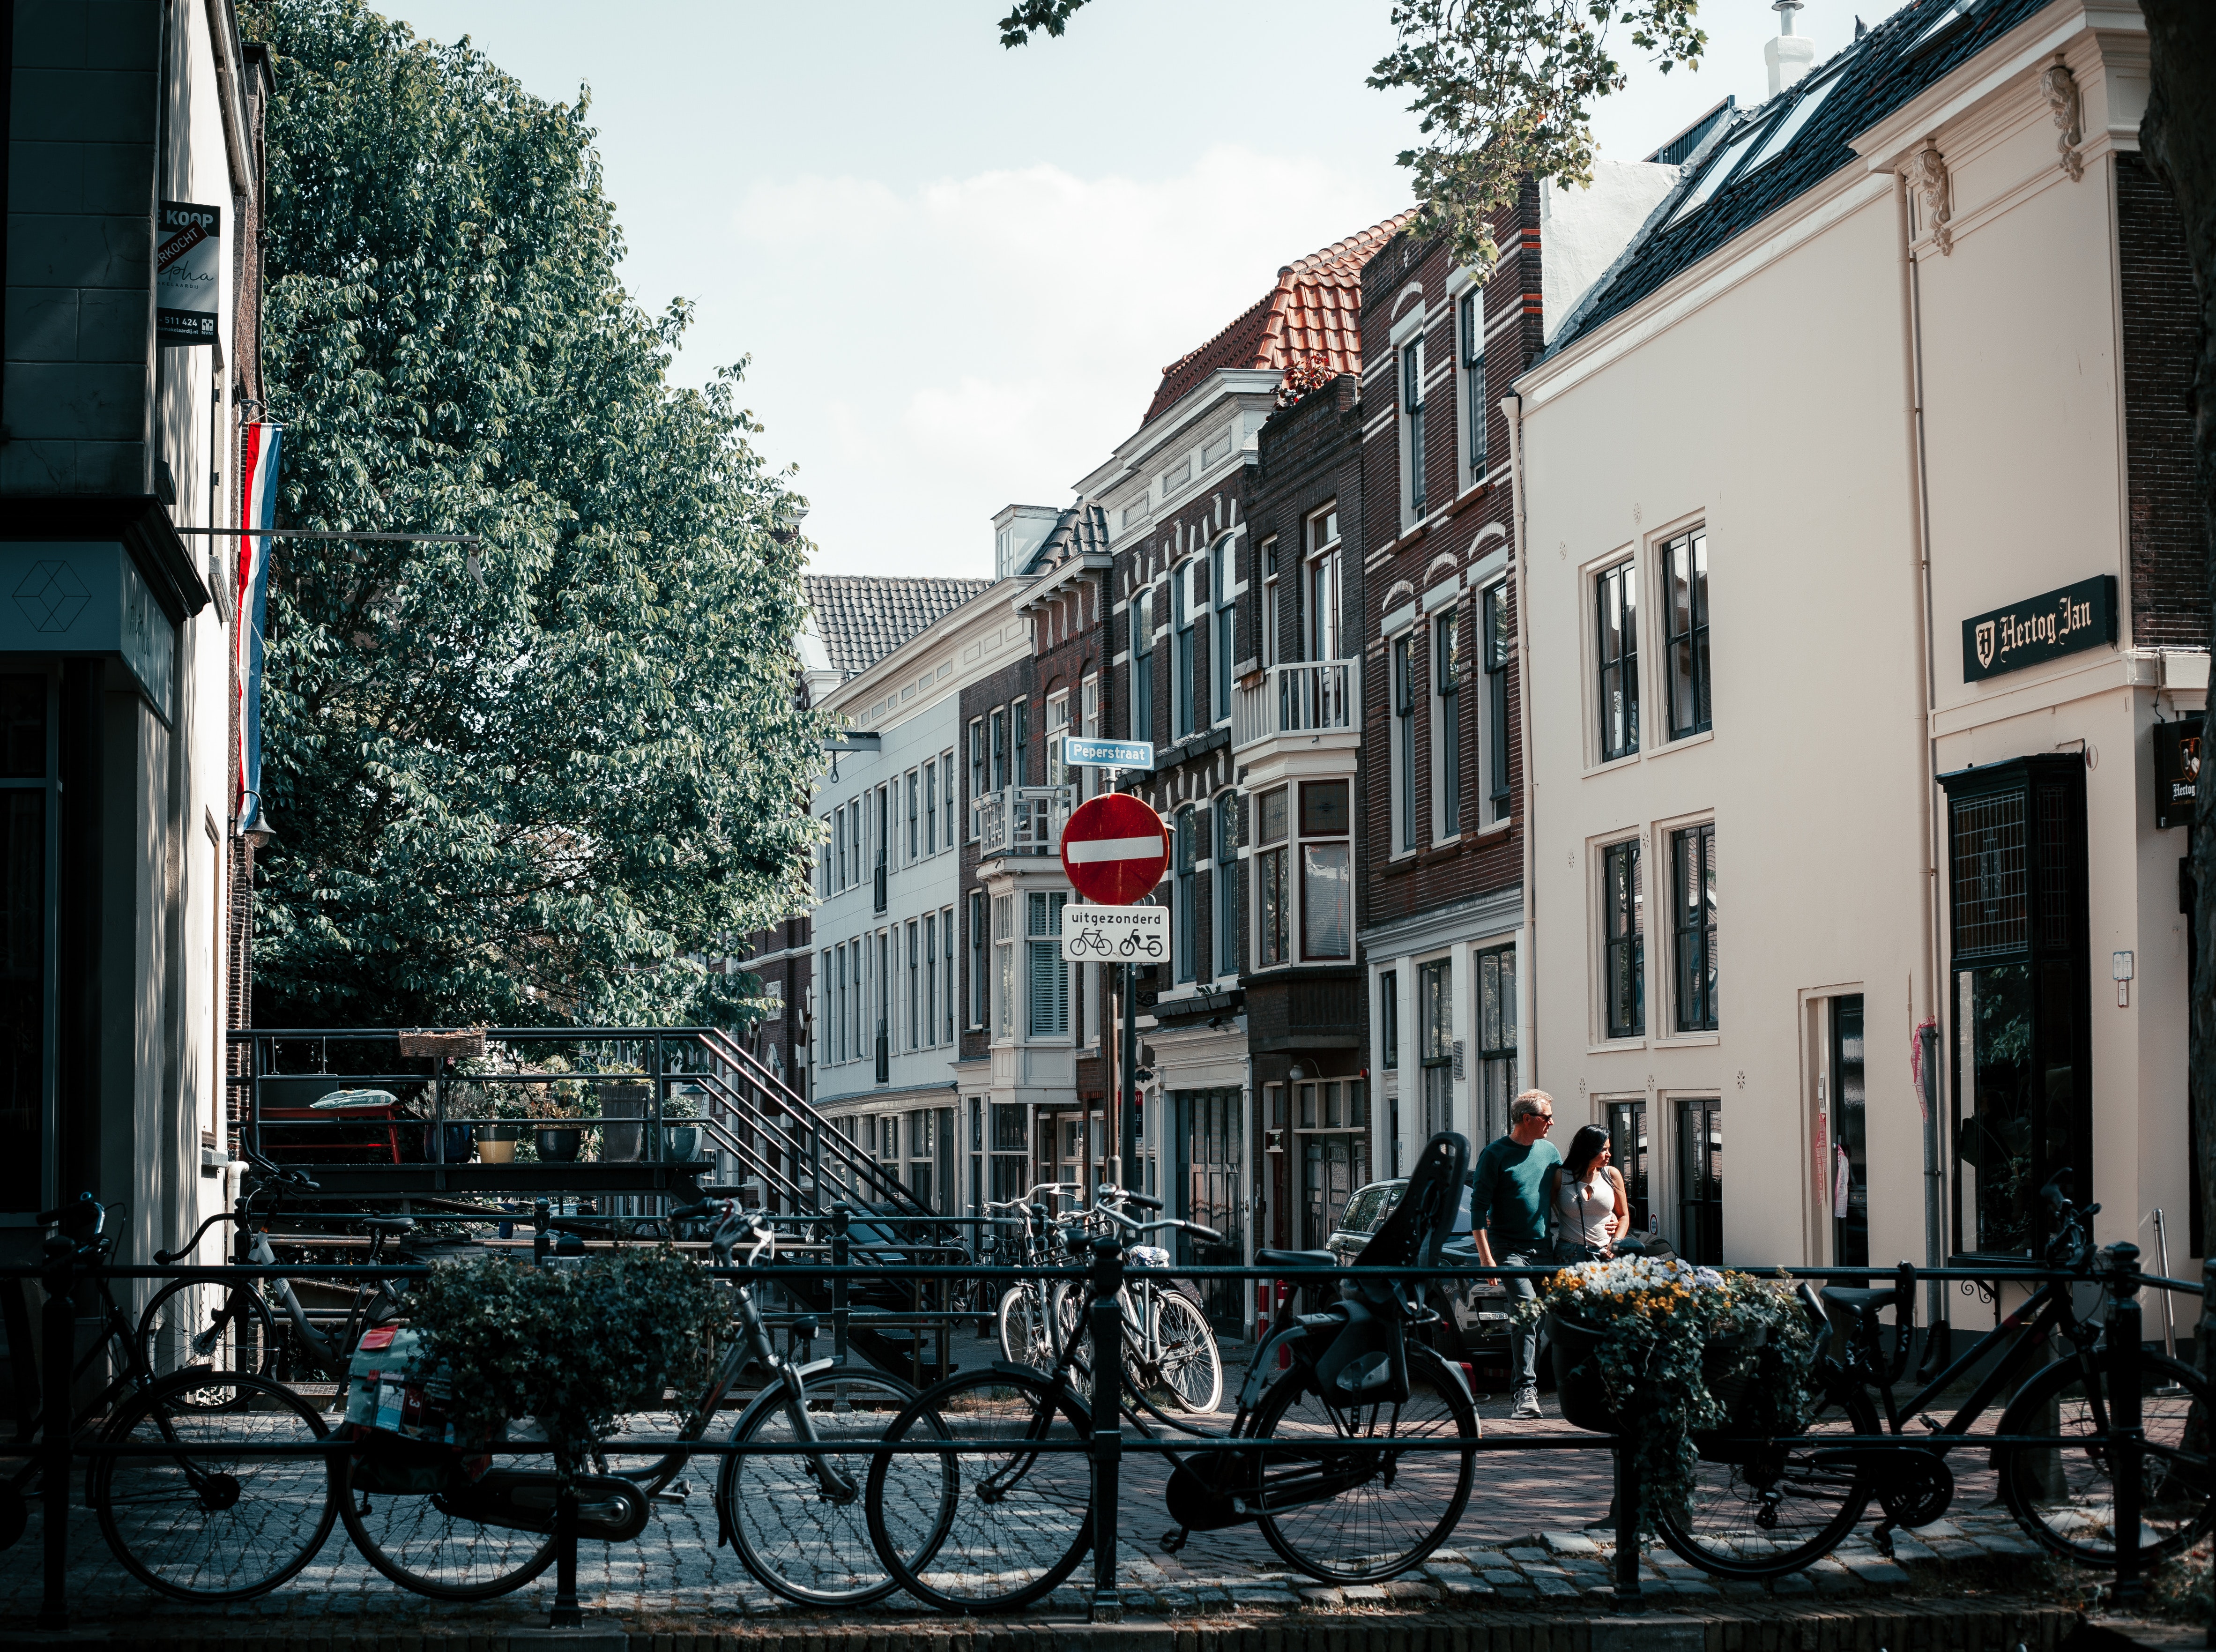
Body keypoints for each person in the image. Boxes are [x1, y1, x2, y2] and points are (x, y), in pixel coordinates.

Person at [1468, 1089, 1561, 1420]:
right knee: (1527, 1313)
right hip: (1508, 1250)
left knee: (1546, 1318)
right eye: (1546, 1117)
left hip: (1544, 1249)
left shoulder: (1550, 1152)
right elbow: (1478, 1209)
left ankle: (1538, 1383)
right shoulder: (1495, 1154)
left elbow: (1561, 1195)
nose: (1552, 1123)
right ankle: (1525, 1392)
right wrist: (1487, 1258)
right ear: (1527, 1119)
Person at [1545, 1124, 1629, 1265]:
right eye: (1603, 1150)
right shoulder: (1561, 1176)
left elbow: (1624, 1216)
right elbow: (1543, 1209)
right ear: (1588, 1151)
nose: (1609, 1154)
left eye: (1608, 1149)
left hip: (1605, 1252)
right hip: (1569, 1253)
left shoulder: (1612, 1175)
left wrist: (1616, 1242)